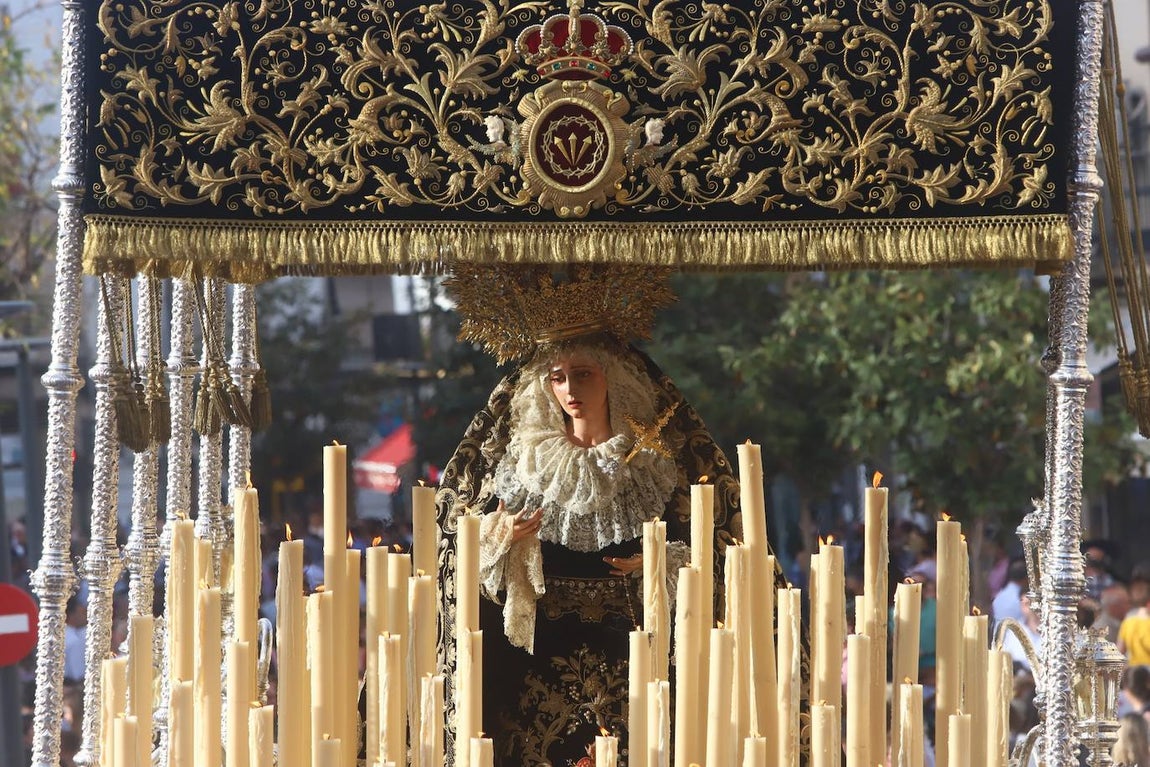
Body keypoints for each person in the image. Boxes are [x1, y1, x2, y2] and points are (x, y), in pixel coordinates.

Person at [436, 265, 774, 767]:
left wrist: (663, 563)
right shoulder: (523, 464)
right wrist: (502, 537)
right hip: (538, 664)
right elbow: (459, 551)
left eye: (583, 374)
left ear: (612, 377)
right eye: (558, 377)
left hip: (635, 656)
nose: (570, 388)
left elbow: (717, 547)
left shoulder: (656, 463)